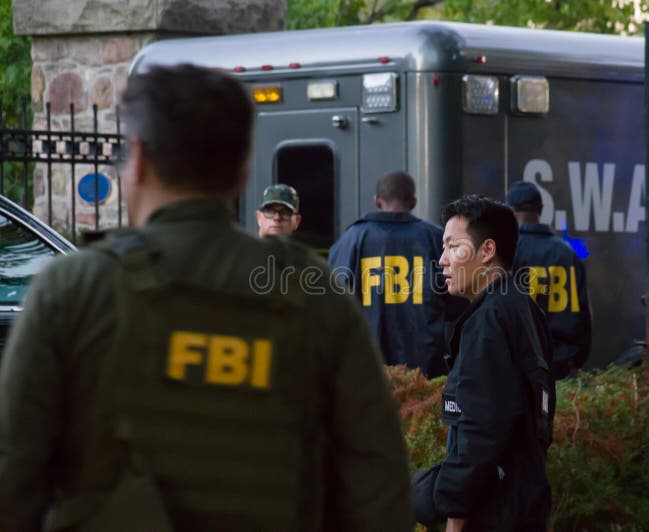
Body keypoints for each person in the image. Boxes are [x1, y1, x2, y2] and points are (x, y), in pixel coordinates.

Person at [0, 64, 411, 532]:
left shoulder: (72, 291)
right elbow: (380, 490)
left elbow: (13, 483)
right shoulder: (314, 297)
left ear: (137, 160)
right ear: (241, 173)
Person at [412, 195, 555, 532]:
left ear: (487, 251)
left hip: (491, 515)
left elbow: (478, 437)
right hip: (522, 505)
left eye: (452, 246)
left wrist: (454, 522)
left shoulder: (488, 321)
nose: (442, 260)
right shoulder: (520, 307)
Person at [328, 171, 463, 378]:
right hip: (424, 376)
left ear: (377, 201)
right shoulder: (436, 239)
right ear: (413, 201)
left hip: (366, 375)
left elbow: (333, 310)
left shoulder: (350, 240)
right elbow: (457, 305)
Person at [506, 180, 592, 380]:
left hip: (519, 366)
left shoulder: (507, 252)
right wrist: (577, 359)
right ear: (541, 209)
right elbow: (584, 312)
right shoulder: (568, 253)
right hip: (562, 365)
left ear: (509, 211)